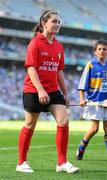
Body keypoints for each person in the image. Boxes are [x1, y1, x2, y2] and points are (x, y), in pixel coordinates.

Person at [16, 10, 79, 173]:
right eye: (54, 21)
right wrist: (40, 90)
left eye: (59, 22)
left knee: (63, 120)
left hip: (53, 91)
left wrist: (65, 93)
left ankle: (62, 162)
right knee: (30, 125)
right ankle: (21, 163)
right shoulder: (35, 43)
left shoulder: (58, 46)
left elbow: (59, 71)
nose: (57, 24)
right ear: (44, 23)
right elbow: (31, 68)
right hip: (33, 90)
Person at [76, 40, 107, 160]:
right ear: (95, 51)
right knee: (94, 129)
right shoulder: (91, 65)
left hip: (106, 102)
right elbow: (82, 83)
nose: (102, 51)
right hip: (94, 102)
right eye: (99, 49)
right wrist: (81, 99)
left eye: (104, 49)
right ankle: (81, 148)